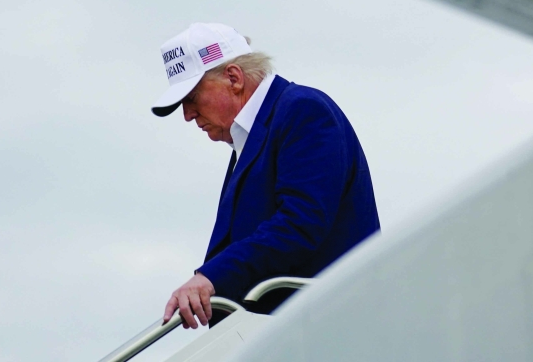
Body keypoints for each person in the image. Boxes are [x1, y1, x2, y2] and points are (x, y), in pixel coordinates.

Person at [150, 22, 380, 328]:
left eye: (191, 97)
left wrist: (211, 277)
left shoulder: (303, 110)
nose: (187, 115)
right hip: (301, 329)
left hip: (326, 327)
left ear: (234, 78)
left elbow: (300, 224)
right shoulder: (258, 133)